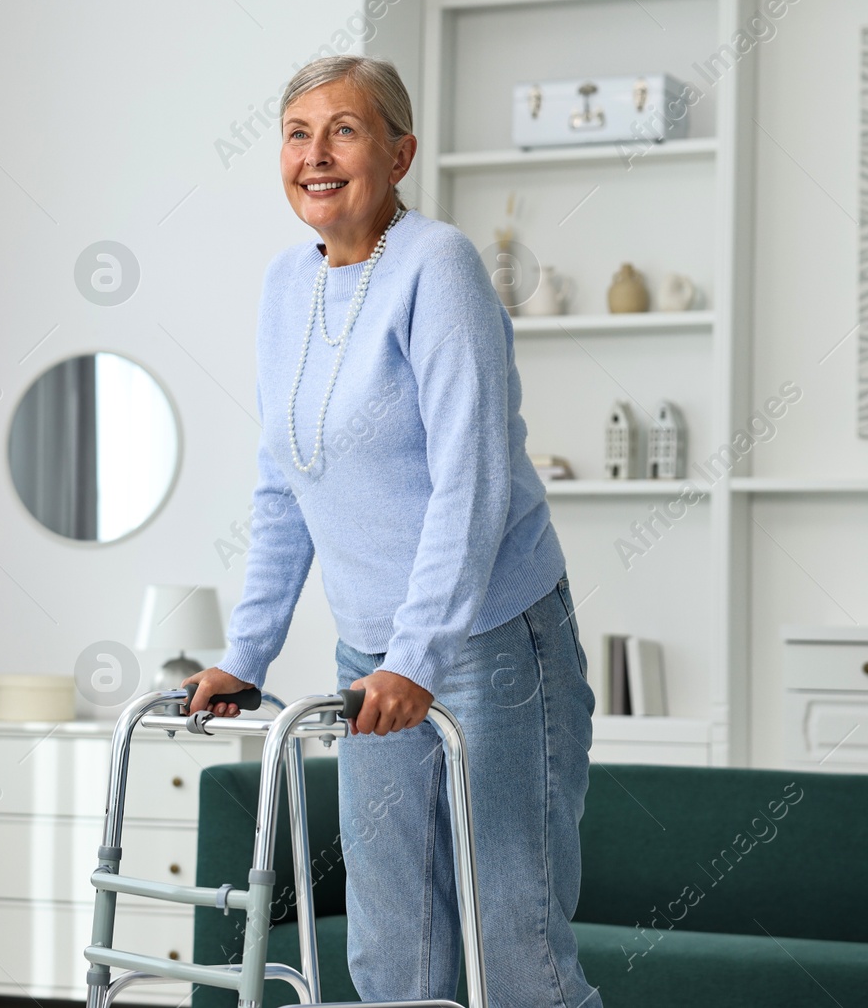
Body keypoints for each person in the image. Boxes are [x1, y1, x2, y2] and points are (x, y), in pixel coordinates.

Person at [185, 54, 603, 1008]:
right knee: (392, 953)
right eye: (298, 134)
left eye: (345, 130)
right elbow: (283, 483)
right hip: (370, 656)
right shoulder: (285, 287)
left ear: (400, 151)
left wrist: (419, 655)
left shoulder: (439, 265)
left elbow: (474, 481)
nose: (316, 155)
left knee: (515, 954)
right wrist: (246, 653)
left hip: (492, 644)